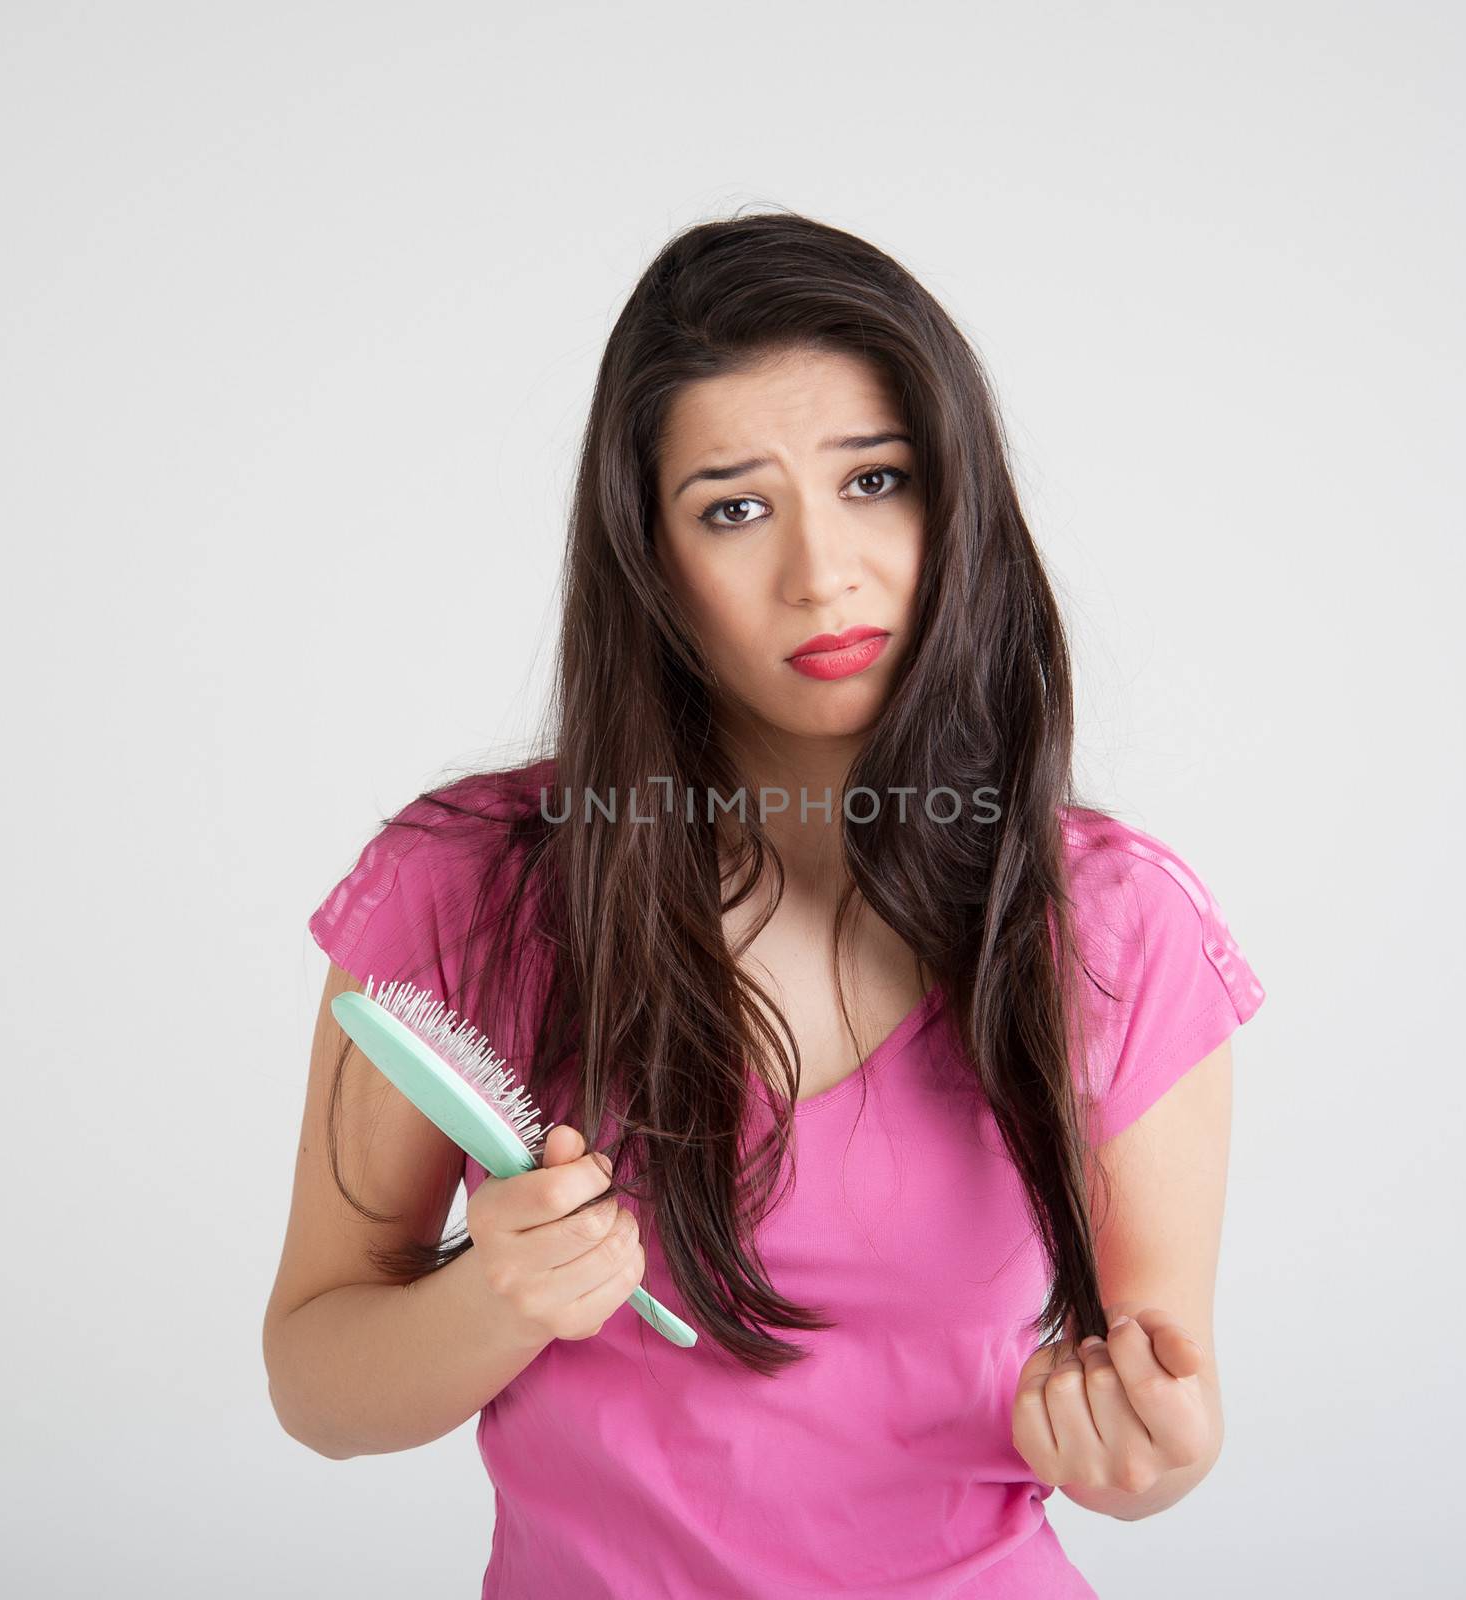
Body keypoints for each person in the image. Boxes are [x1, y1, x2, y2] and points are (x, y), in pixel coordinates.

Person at [263, 209, 1267, 1599]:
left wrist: (1151, 1453)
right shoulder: (469, 888)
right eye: (734, 508)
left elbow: (1155, 1402)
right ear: (648, 560)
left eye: (877, 481)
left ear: (960, 496)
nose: (823, 572)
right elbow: (316, 1385)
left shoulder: (1111, 924)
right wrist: (495, 1299)